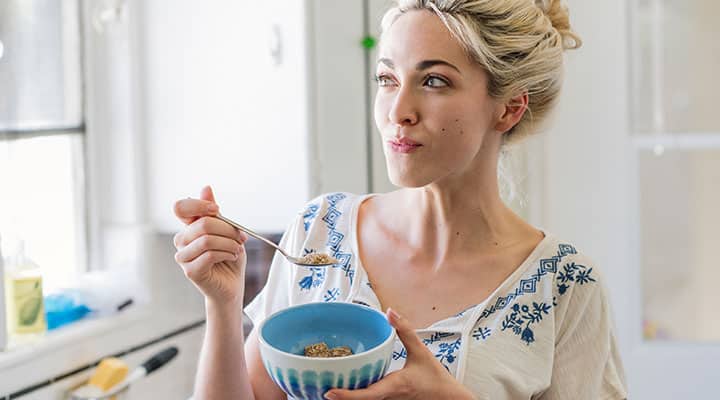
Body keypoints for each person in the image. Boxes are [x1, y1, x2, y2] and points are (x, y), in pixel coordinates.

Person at [172, 0, 628, 399]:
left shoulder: (565, 288)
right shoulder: (320, 229)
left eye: (434, 81)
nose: (397, 111)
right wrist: (223, 305)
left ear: (508, 107)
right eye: (387, 78)